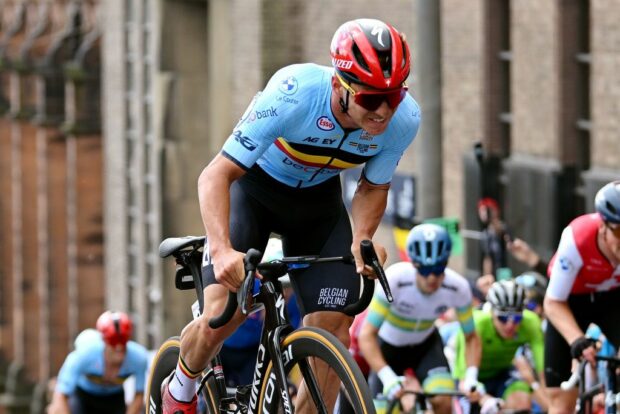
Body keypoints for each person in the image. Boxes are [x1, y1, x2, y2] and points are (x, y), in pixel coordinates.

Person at [161, 18, 421, 414]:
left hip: (318, 207)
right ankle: (180, 387)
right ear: (339, 87)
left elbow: (373, 186)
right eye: (370, 100)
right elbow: (215, 174)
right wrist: (222, 249)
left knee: (334, 326)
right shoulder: (294, 93)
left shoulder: (403, 121)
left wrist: (362, 240)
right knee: (223, 314)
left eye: (394, 97)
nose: (383, 112)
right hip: (254, 191)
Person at [357, 223, 481, 414]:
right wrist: (387, 376)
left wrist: (471, 376)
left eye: (438, 269)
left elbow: (471, 336)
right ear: (414, 263)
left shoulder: (458, 287)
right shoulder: (395, 279)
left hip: (425, 347)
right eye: (424, 270)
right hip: (388, 349)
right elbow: (367, 335)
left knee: (443, 399)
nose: (431, 278)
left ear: (446, 264)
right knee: (382, 411)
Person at [543, 180, 620, 414]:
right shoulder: (577, 237)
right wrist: (577, 339)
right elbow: (552, 302)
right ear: (603, 227)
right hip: (569, 302)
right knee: (561, 399)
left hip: (613, 299)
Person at [452, 280, 548, 413]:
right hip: (471, 377)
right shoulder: (477, 323)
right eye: (502, 318)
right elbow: (465, 381)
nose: (510, 325)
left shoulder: (531, 322)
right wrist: (485, 399)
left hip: (501, 373)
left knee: (522, 403)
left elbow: (543, 371)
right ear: (491, 312)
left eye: (516, 319)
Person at [46, 311, 149, 414]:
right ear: (104, 341)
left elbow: (139, 394)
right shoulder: (85, 354)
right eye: (113, 341)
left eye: (123, 341)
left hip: (113, 398)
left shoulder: (138, 358)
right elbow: (61, 394)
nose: (118, 347)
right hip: (83, 396)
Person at [478, 198, 511, 277]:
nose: (484, 214)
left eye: (486, 210)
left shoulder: (502, 228)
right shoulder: (486, 233)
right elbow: (487, 257)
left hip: (503, 271)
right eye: (481, 211)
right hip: (491, 274)